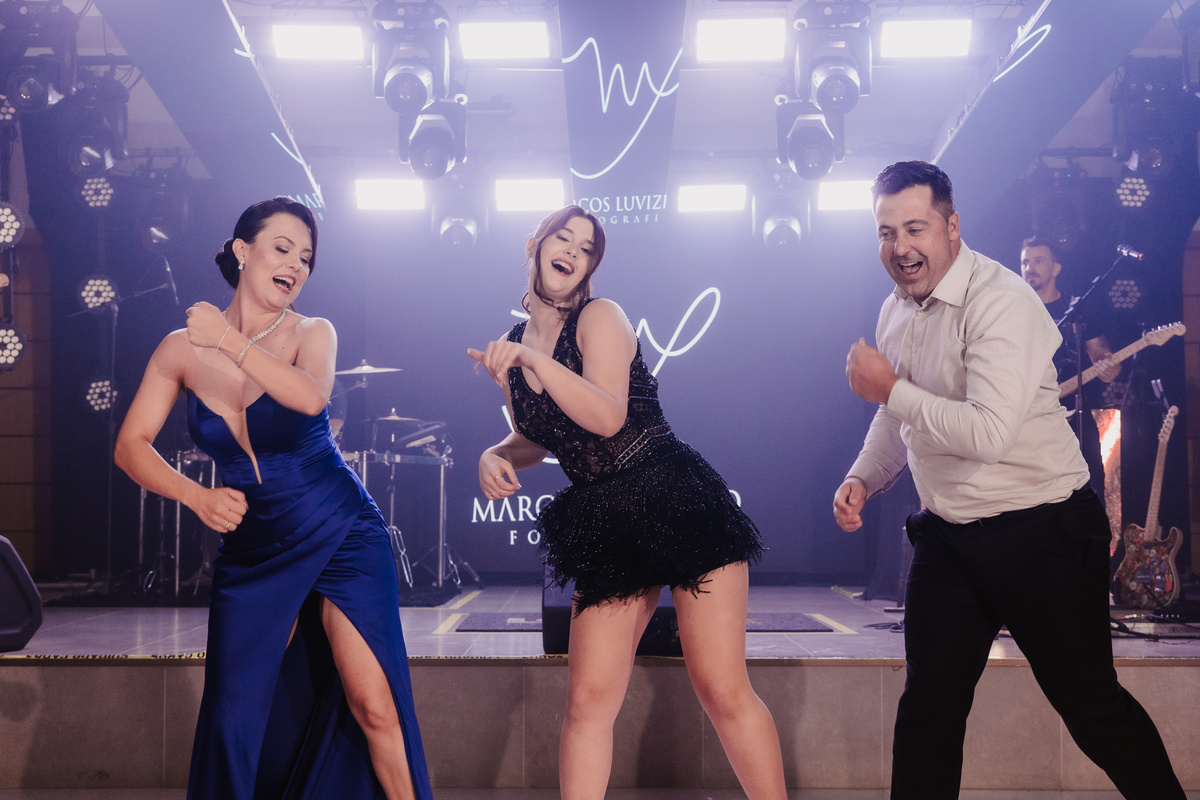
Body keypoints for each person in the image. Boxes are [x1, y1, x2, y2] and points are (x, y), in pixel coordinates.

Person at [832, 162, 1183, 799]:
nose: (900, 247)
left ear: (952, 226)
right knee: (928, 711)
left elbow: (987, 433)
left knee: (1092, 710)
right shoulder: (895, 309)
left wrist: (892, 390)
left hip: (1043, 532)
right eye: (886, 232)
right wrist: (865, 475)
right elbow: (895, 415)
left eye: (915, 228)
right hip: (949, 537)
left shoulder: (1002, 301)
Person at [114, 197, 431, 800]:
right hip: (253, 546)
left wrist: (230, 343)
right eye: (282, 248)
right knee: (233, 716)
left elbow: (311, 397)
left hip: (339, 528)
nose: (295, 266)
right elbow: (130, 446)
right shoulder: (178, 349)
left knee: (373, 704)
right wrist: (196, 497)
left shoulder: (313, 332)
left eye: (305, 258)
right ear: (243, 251)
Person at [468, 206, 786, 800]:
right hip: (607, 518)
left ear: (591, 266)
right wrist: (497, 453)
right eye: (563, 238)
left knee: (721, 689)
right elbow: (539, 435)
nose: (572, 250)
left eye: (586, 247)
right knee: (587, 702)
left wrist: (534, 362)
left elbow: (607, 415)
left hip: (673, 496)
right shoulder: (511, 348)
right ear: (535, 244)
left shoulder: (600, 317)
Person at [1020, 235, 1120, 494]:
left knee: (1090, 491)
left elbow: (1103, 358)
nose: (1030, 268)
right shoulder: (1011, 310)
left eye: (1038, 261)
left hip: (1074, 420)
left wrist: (1108, 367)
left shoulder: (1077, 309)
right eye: (1025, 262)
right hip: (1024, 422)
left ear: (1056, 269)